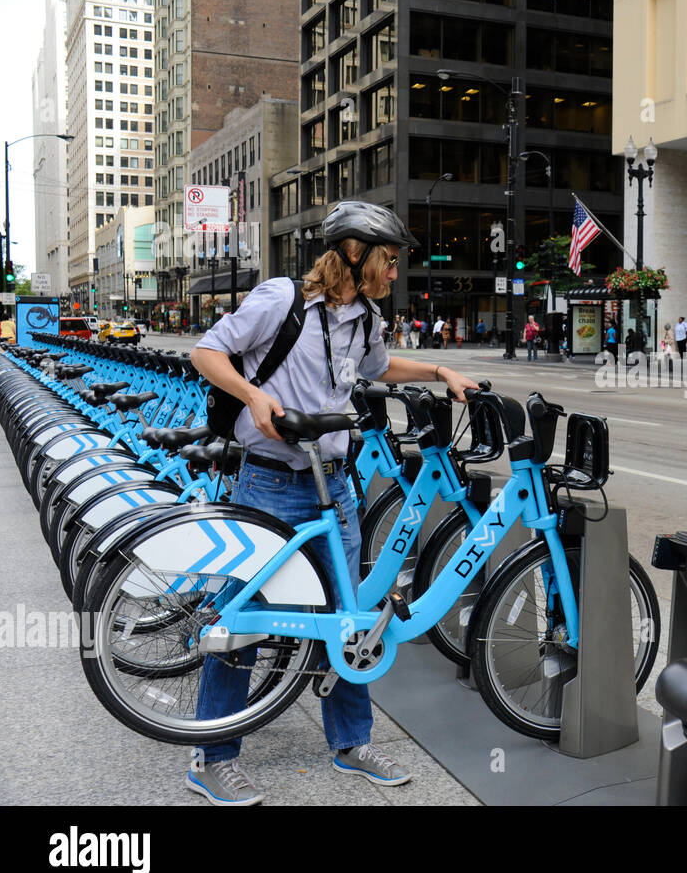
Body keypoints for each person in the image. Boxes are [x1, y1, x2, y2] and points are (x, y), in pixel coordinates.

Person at [187, 200, 478, 805]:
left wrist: (440, 369)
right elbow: (206, 352)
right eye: (389, 261)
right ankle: (213, 756)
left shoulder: (368, 319)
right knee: (239, 619)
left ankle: (350, 742)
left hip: (335, 486)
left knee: (347, 617)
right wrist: (252, 396)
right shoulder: (281, 300)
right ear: (354, 254)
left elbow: (380, 367)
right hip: (270, 481)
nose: (396, 272)